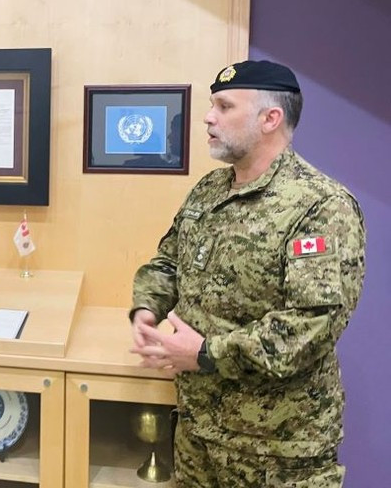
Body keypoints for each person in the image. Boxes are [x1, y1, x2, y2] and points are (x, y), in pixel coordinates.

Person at [129, 60, 365, 487]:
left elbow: (309, 328)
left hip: (276, 451)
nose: (207, 116)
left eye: (224, 106)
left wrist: (204, 354)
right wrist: (146, 308)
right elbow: (169, 262)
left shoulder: (321, 206)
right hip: (198, 436)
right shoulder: (209, 190)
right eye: (211, 105)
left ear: (269, 118)